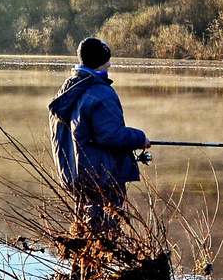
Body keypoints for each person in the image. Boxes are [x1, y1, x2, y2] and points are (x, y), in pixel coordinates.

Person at [49, 37, 151, 234]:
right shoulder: (100, 92)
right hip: (101, 177)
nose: (110, 64)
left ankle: (86, 254)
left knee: (85, 231)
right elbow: (111, 135)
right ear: (100, 61)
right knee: (104, 233)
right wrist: (139, 138)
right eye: (107, 60)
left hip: (76, 175)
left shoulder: (70, 89)